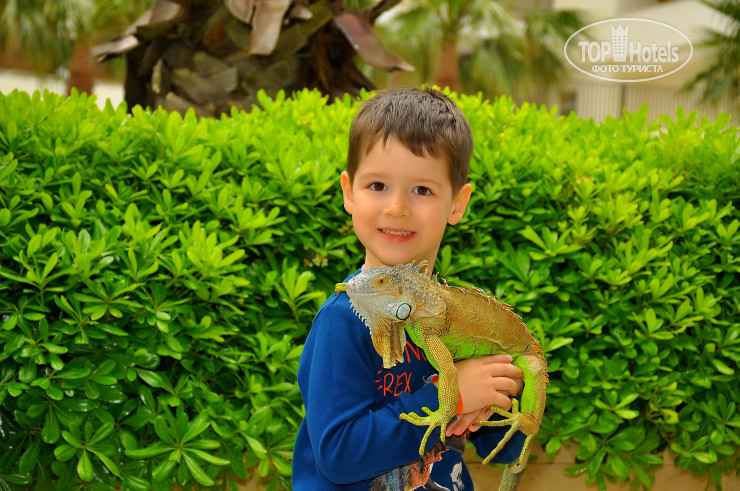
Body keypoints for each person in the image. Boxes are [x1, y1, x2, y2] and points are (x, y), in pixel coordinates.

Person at [292, 86, 526, 490]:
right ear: (349, 192)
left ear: (457, 203)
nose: (396, 207)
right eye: (377, 186)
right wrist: (451, 396)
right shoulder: (344, 321)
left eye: (422, 190)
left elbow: (502, 450)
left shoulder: (453, 320)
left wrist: (501, 389)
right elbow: (338, 455)